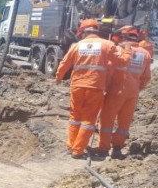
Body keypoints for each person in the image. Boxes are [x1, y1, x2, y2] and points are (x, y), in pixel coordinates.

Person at [55, 19, 131, 159]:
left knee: (75, 117)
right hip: (95, 86)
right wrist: (127, 50)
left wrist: (58, 77)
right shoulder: (107, 45)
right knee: (88, 120)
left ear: (83, 32)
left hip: (77, 86)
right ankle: (78, 150)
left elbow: (65, 63)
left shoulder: (76, 46)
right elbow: (122, 61)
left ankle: (71, 145)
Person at [95, 26, 152, 159]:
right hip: (133, 92)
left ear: (124, 37)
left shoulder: (119, 50)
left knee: (107, 120)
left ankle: (103, 148)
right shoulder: (146, 54)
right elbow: (146, 77)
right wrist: (138, 88)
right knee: (124, 122)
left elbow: (108, 70)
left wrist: (104, 86)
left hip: (116, 89)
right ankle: (117, 149)